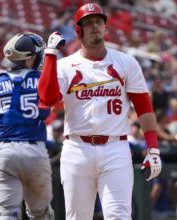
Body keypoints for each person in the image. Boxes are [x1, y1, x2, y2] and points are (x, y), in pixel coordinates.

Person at [37, 3, 162, 219]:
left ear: (105, 27)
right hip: (77, 147)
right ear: (79, 30)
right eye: (88, 23)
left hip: (116, 147)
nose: (95, 26)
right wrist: (50, 56)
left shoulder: (126, 62)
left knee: (119, 216)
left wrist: (153, 147)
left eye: (98, 21)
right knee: (77, 217)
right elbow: (47, 100)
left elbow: (143, 107)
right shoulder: (65, 65)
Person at [0, 33, 54, 220]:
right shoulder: (41, 80)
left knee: (7, 214)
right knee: (41, 214)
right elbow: (52, 107)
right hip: (34, 149)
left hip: (4, 151)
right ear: (28, 59)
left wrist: (1, 145)